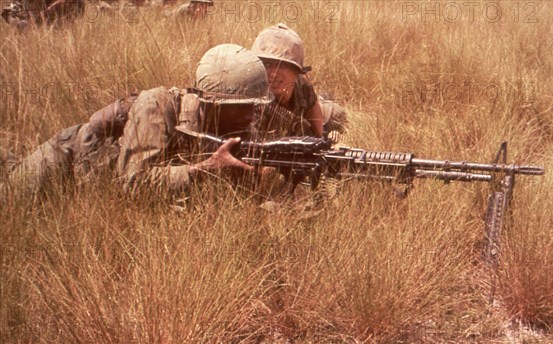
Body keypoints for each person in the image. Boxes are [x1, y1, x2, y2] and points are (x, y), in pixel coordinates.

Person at [1, 44, 273, 201]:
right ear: (212, 103)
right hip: (67, 160)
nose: (252, 114)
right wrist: (206, 168)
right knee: (9, 197)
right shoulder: (156, 105)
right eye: (243, 107)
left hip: (94, 188)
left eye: (255, 105)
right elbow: (132, 183)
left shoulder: (236, 123)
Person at [251, 23, 348, 141]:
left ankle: (325, 100)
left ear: (296, 72)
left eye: (282, 65)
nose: (273, 73)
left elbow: (318, 131)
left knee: (338, 114)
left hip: (304, 118)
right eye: (267, 64)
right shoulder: (252, 99)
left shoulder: (302, 85)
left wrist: (323, 140)